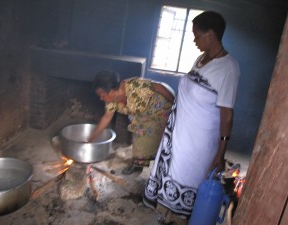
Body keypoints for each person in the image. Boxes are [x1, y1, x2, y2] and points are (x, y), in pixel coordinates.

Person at [143, 11, 240, 225]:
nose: (194, 40)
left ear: (211, 34)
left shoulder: (228, 68)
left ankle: (182, 217)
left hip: (199, 141)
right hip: (179, 134)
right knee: (170, 174)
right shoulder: (200, 60)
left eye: (197, 36)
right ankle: (167, 215)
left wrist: (221, 151)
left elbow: (227, 114)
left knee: (189, 181)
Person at [88, 70, 174, 175]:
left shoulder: (135, 86)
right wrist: (91, 138)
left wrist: (175, 106)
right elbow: (106, 118)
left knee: (163, 139)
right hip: (143, 114)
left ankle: (163, 166)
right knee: (139, 133)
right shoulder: (111, 101)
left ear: (111, 91)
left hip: (160, 108)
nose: (101, 98)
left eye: (102, 95)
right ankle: (139, 164)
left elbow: (159, 87)